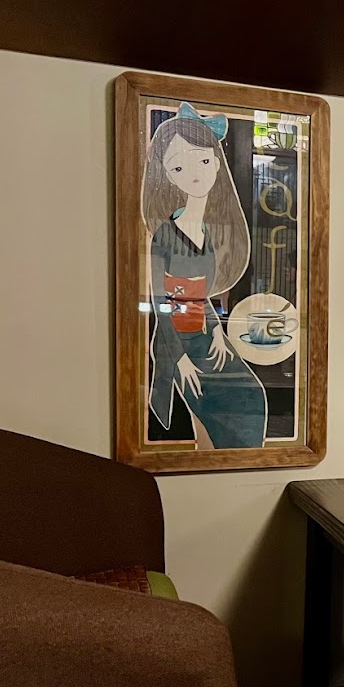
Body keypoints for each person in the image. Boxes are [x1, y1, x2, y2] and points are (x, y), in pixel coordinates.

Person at [143, 103, 268, 449]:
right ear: (169, 176)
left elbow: (203, 298)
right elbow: (160, 305)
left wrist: (215, 332)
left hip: (204, 336)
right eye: (178, 166)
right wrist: (180, 359)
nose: (194, 173)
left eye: (202, 161)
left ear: (215, 164)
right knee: (214, 407)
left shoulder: (209, 232)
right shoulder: (164, 236)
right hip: (175, 342)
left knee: (253, 395)